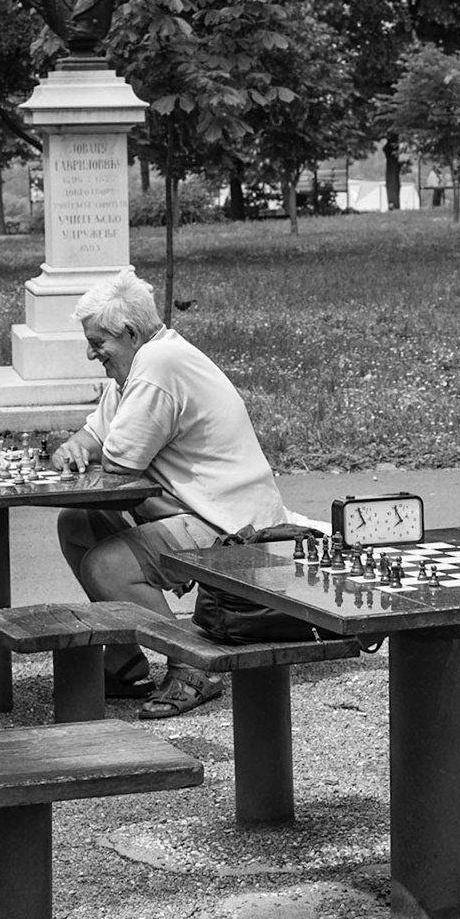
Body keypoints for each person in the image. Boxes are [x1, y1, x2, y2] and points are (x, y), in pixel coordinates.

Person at [51, 270, 291, 719]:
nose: (90, 353)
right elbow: (93, 440)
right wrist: (73, 450)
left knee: (108, 565)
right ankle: (124, 660)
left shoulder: (159, 363)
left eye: (98, 341)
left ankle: (192, 667)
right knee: (77, 522)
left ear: (130, 332)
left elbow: (121, 468)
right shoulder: (136, 368)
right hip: (197, 508)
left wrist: (95, 453)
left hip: (234, 524)